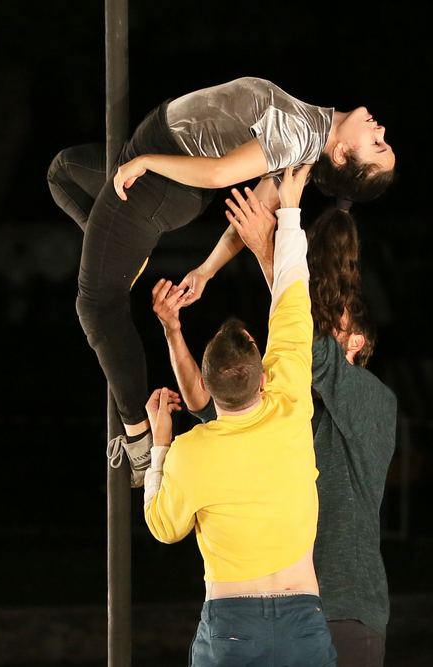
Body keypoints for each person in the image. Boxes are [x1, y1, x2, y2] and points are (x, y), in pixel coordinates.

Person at [47, 77, 395, 484]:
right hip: (158, 155)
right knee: (63, 172)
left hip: (158, 180)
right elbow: (248, 215)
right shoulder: (305, 147)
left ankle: (137, 438)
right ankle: (121, 251)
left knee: (96, 305)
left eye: (377, 145)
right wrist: (205, 271)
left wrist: (149, 163)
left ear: (341, 153)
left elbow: (218, 174)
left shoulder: (300, 135)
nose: (381, 130)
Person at [151, 195, 397, 666]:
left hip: (344, 610)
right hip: (283, 608)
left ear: (358, 342)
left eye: (332, 323)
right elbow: (211, 406)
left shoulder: (374, 402)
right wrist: (173, 332)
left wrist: (270, 252)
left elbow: (305, 341)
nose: (315, 324)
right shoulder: (282, 411)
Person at [142, 165, 336, 666]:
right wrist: (289, 211)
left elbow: (163, 526)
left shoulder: (191, 452)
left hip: (232, 626)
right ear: (263, 376)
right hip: (301, 617)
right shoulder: (289, 403)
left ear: (207, 388)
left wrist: (160, 444)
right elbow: (292, 297)